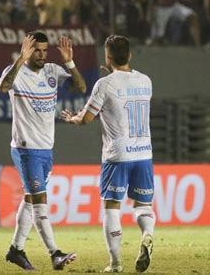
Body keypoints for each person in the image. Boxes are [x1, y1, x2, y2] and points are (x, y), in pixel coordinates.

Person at [61, 35, 155, 273]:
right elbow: (125, 91)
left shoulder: (104, 84)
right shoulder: (146, 80)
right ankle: (147, 235)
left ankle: (115, 263)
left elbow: (87, 118)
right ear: (130, 55)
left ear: (108, 57)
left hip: (117, 155)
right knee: (143, 205)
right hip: (143, 153)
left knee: (111, 207)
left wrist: (73, 118)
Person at [0, 31, 86, 271]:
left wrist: (69, 62)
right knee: (39, 202)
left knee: (29, 199)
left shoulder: (52, 72)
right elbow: (3, 87)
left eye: (45, 51)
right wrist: (20, 59)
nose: (42, 55)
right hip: (26, 149)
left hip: (46, 148)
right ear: (27, 49)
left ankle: (15, 250)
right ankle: (55, 253)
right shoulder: (15, 72)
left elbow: (81, 87)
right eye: (37, 50)